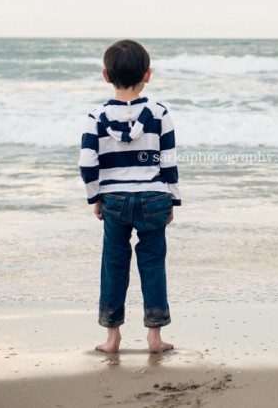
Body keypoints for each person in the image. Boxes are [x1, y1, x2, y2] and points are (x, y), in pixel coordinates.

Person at [79, 39, 181, 354]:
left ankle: (112, 338)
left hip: (115, 201)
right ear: (147, 74)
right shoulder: (159, 112)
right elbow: (168, 160)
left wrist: (95, 197)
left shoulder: (96, 117)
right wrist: (172, 199)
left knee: (113, 263)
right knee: (152, 265)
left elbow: (87, 163)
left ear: (106, 76)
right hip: (153, 197)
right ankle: (154, 338)